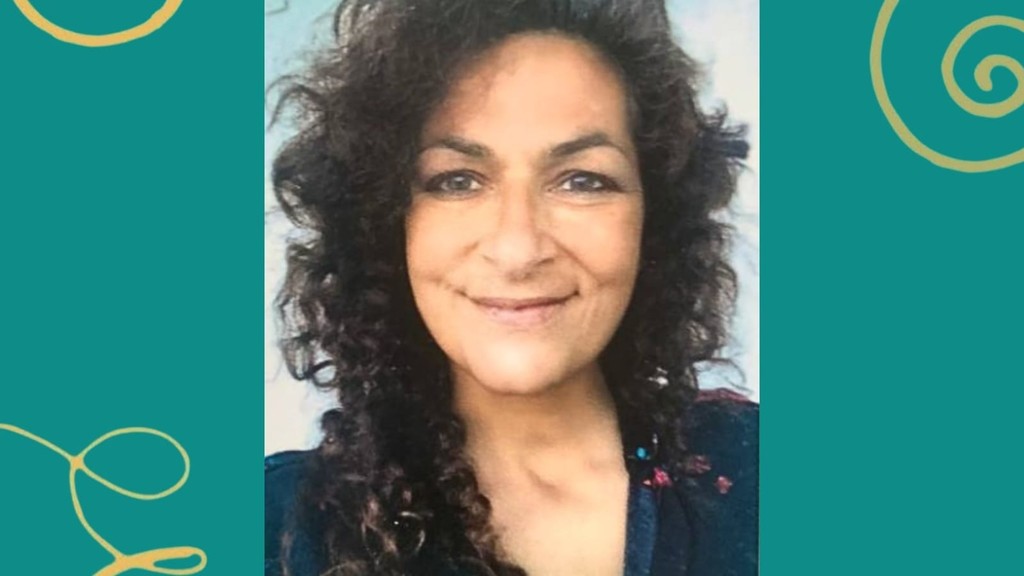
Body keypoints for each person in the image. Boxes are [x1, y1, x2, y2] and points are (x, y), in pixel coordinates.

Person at [265, 0, 758, 574]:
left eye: (582, 181)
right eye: (456, 181)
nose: (518, 249)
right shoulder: (274, 530)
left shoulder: (761, 468)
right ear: (384, 223)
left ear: (656, 217)